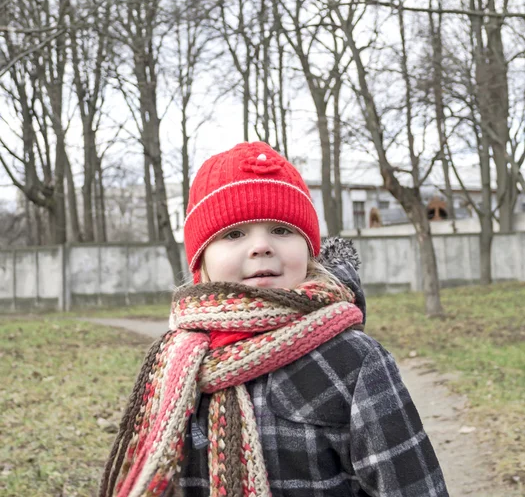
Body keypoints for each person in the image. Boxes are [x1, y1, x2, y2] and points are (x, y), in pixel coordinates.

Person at [99, 141, 448, 497]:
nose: (261, 246)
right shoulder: (174, 361)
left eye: (281, 230)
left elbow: (412, 485)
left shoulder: (353, 359)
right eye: (234, 234)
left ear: (309, 251)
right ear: (201, 260)